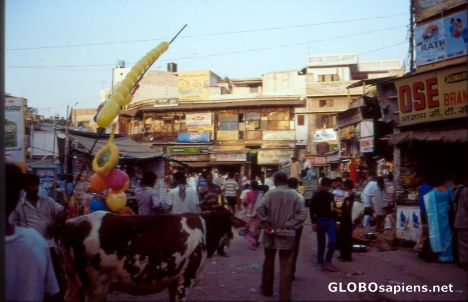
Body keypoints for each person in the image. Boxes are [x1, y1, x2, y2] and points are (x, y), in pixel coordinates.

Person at [5, 163, 60, 301]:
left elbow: (52, 293)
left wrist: (56, 224)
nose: (33, 188)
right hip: (37, 244)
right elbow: (52, 294)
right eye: (30, 185)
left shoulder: (48, 201)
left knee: (57, 277)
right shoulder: (32, 238)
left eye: (35, 185)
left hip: (49, 245)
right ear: (20, 192)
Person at [257, 172, 307, 301]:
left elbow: (260, 208)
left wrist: (266, 223)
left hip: (270, 233)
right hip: (287, 235)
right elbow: (302, 215)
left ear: (275, 181)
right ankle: (284, 296)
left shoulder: (269, 194)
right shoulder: (296, 196)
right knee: (286, 266)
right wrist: (288, 224)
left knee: (268, 262)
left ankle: (266, 289)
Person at [424, 175, 455, 263]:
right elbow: (452, 200)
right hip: (446, 213)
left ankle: (440, 254)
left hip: (436, 215)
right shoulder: (448, 190)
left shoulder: (433, 192)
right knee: (447, 233)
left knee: (438, 233)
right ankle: (448, 255)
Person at [310, 177, 337, 271]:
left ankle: (328, 260)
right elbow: (312, 209)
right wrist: (313, 222)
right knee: (321, 243)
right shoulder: (316, 196)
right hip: (320, 220)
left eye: (327, 187)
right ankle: (320, 262)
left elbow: (335, 209)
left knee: (333, 240)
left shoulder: (332, 196)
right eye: (325, 186)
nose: (326, 188)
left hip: (330, 220)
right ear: (321, 186)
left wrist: (337, 221)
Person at [287, 177, 306, 280]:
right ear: (297, 185)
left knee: (284, 249)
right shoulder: (299, 197)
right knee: (294, 250)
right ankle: (291, 272)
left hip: (283, 227)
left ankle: (285, 270)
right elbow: (302, 215)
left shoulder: (282, 195)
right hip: (296, 228)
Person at [242, 181, 264, 250]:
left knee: (252, 228)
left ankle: (253, 244)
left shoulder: (248, 193)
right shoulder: (261, 193)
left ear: (251, 186)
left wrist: (247, 207)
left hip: (251, 212)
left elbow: (245, 203)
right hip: (259, 212)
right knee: (257, 228)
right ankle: (256, 242)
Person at [337, 179, 354, 262]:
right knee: (342, 236)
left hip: (346, 218)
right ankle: (343, 254)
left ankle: (346, 256)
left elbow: (346, 207)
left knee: (345, 237)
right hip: (344, 217)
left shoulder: (349, 195)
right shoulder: (346, 194)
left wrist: (340, 209)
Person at [454, 180, 468, 270]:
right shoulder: (466, 190)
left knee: (462, 242)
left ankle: (463, 260)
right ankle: (464, 262)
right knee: (464, 242)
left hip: (460, 219)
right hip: (464, 219)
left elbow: (454, 204)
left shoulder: (457, 190)